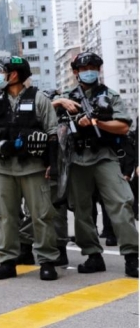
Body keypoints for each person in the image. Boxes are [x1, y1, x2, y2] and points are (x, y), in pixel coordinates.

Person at [51, 52, 138, 278]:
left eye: (93, 67)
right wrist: (59, 102)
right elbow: (42, 117)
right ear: (76, 72)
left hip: (104, 156)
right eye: (84, 67)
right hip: (77, 159)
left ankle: (132, 256)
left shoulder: (110, 95)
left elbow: (123, 127)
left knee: (121, 202)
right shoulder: (67, 97)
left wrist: (97, 122)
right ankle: (93, 255)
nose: (89, 71)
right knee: (81, 210)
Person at [0, 56, 60, 281]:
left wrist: (53, 165)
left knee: (41, 215)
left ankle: (47, 260)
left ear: (14, 75)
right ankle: (7, 261)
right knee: (5, 216)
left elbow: (52, 134)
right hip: (2, 169)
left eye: (3, 71)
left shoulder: (39, 99)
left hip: (33, 168)